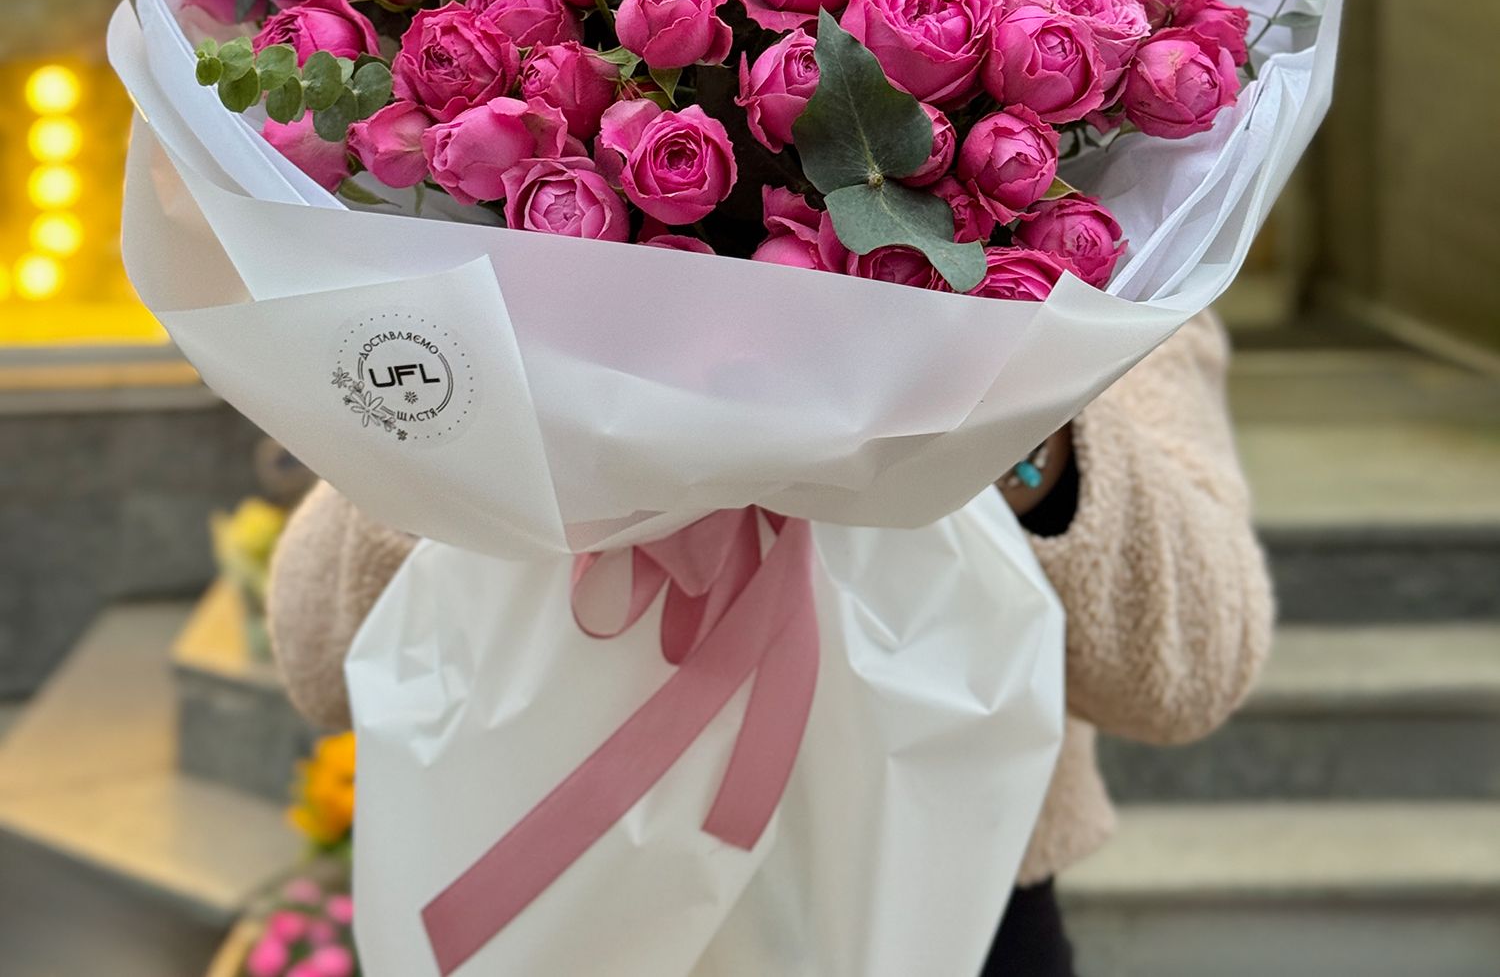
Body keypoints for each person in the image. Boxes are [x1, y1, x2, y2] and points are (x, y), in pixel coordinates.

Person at [268, 311, 1272, 977]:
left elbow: (1193, 665)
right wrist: (522, 375)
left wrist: (1011, 403)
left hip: (945, 905)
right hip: (570, 911)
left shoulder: (1106, 251)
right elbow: (317, 651)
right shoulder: (511, 258)